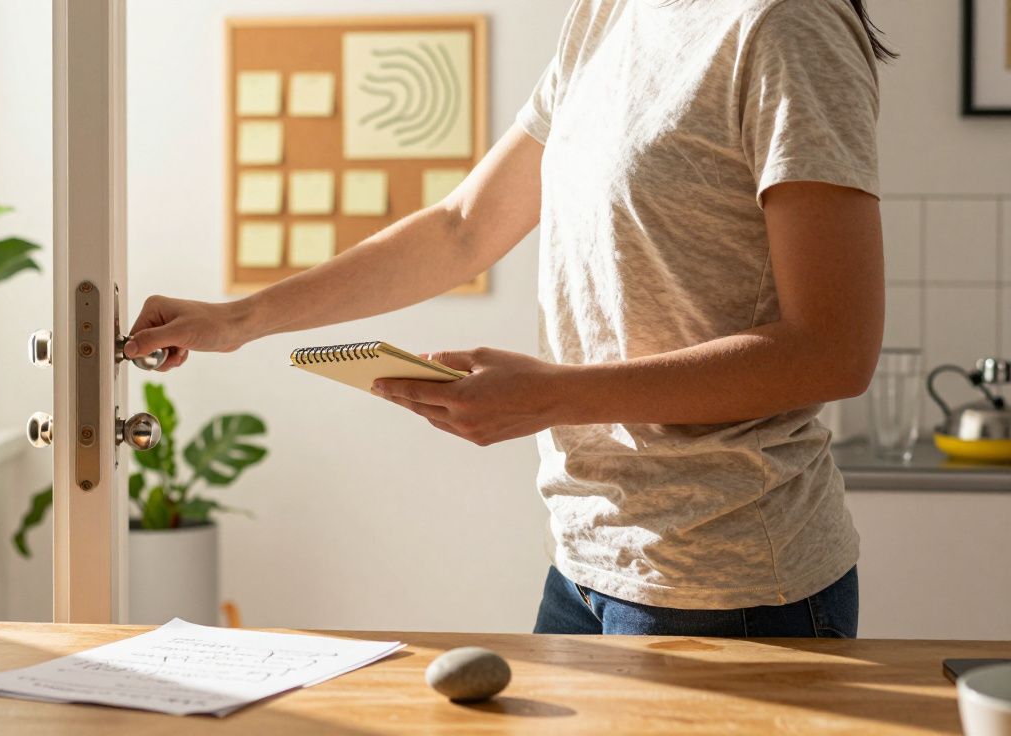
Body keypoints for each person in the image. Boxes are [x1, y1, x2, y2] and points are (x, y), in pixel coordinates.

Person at [125, 0, 892, 637]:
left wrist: (554, 395)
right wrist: (239, 320)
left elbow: (833, 349)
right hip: (586, 564)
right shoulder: (607, 13)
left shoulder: (788, 26)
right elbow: (462, 227)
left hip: (734, 583)